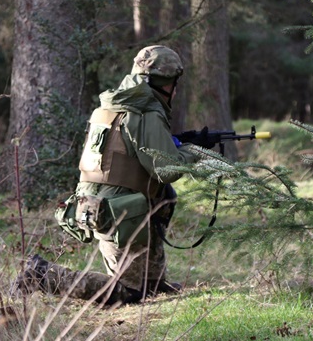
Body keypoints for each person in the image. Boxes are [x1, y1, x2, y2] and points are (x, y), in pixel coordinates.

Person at [11, 45, 203, 305]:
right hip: (118, 213)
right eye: (174, 84)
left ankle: (154, 283)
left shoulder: (114, 103)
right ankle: (43, 275)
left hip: (97, 204)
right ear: (165, 83)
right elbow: (165, 169)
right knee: (127, 294)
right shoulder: (145, 112)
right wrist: (193, 153)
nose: (176, 90)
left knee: (163, 197)